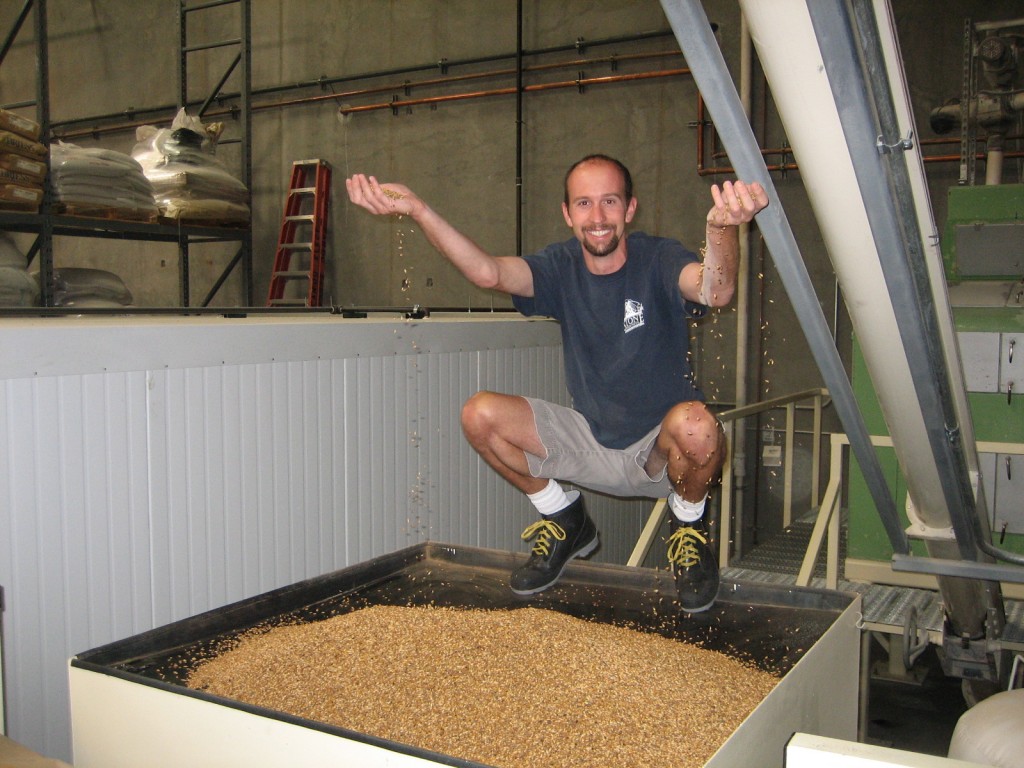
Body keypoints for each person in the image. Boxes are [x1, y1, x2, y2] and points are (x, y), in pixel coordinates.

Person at [346, 154, 768, 612]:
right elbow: (488, 272)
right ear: (568, 214)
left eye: (610, 201)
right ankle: (564, 516)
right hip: (590, 438)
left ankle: (688, 526)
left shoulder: (658, 258)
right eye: (584, 203)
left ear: (630, 209)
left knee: (697, 426)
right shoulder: (559, 265)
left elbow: (715, 289)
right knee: (479, 414)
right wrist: (419, 210)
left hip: (661, 454)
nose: (598, 217)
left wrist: (722, 229)